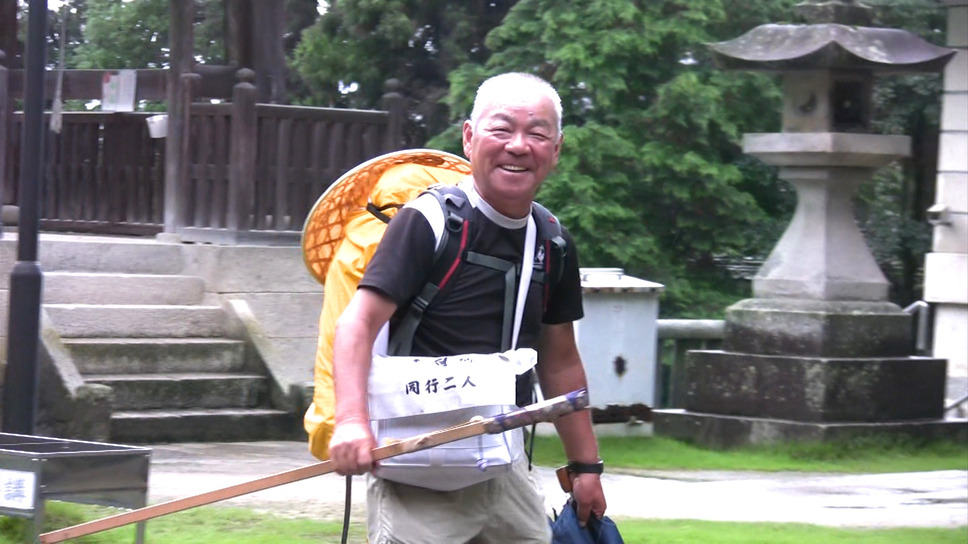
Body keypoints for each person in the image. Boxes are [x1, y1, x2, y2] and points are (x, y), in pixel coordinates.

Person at [327, 72, 607, 543]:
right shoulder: (427, 221)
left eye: (537, 134)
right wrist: (351, 422)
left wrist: (585, 465)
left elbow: (559, 360)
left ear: (556, 149)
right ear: (469, 137)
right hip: (418, 466)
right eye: (502, 129)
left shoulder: (553, 242)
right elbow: (358, 322)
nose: (518, 146)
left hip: (504, 461)